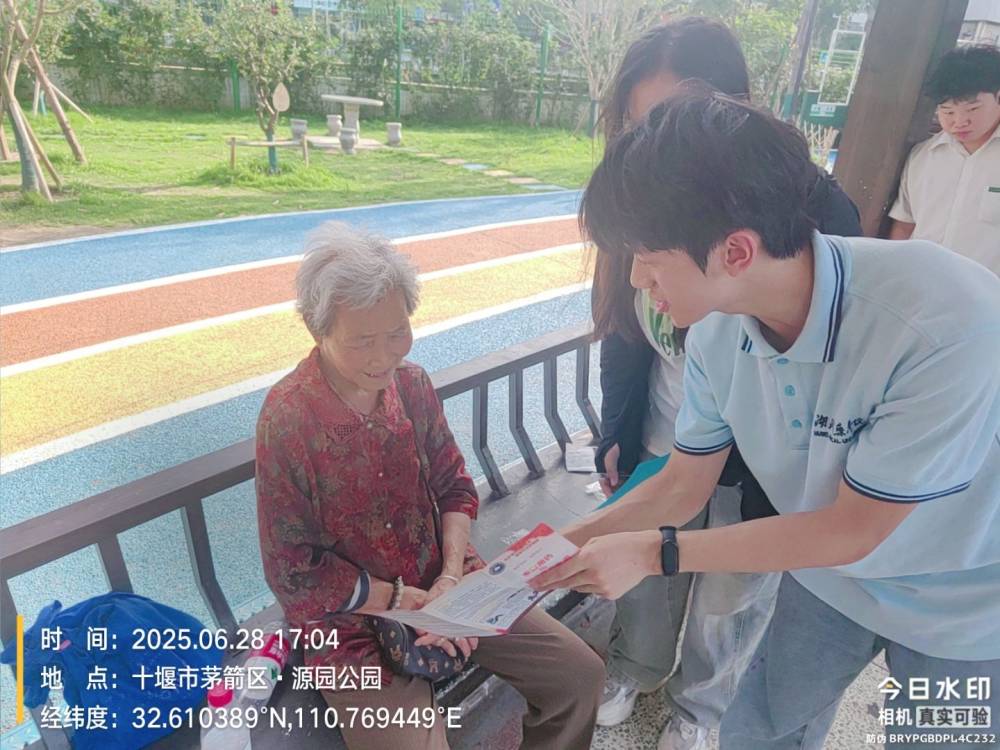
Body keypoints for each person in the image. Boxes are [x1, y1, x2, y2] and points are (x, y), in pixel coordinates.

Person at [534, 90, 1000, 750]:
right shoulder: (717, 333)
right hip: (827, 579)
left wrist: (653, 553)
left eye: (650, 257)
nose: (636, 278)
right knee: (760, 732)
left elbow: (855, 528)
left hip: (966, 604)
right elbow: (681, 485)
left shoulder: (944, 318)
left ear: (736, 252)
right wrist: (550, 551)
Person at [590, 17, 862, 748]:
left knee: (735, 598)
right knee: (658, 571)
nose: (653, 147)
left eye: (675, 118)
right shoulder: (704, 319)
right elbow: (624, 334)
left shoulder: (831, 243)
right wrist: (565, 536)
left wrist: (646, 547)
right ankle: (639, 669)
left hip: (931, 590)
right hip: (682, 436)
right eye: (640, 126)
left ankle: (700, 709)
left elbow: (850, 529)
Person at [255, 222, 603, 750]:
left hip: (447, 585)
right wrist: (397, 598)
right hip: (348, 619)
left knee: (577, 677)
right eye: (362, 341)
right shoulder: (288, 418)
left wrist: (450, 573)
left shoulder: (411, 384)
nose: (383, 357)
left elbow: (454, 485)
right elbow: (291, 568)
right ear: (315, 327)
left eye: (397, 332)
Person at [888, 44, 1000, 274]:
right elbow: (904, 225)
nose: (959, 121)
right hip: (921, 284)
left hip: (988, 291)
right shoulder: (923, 156)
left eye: (973, 109)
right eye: (948, 111)